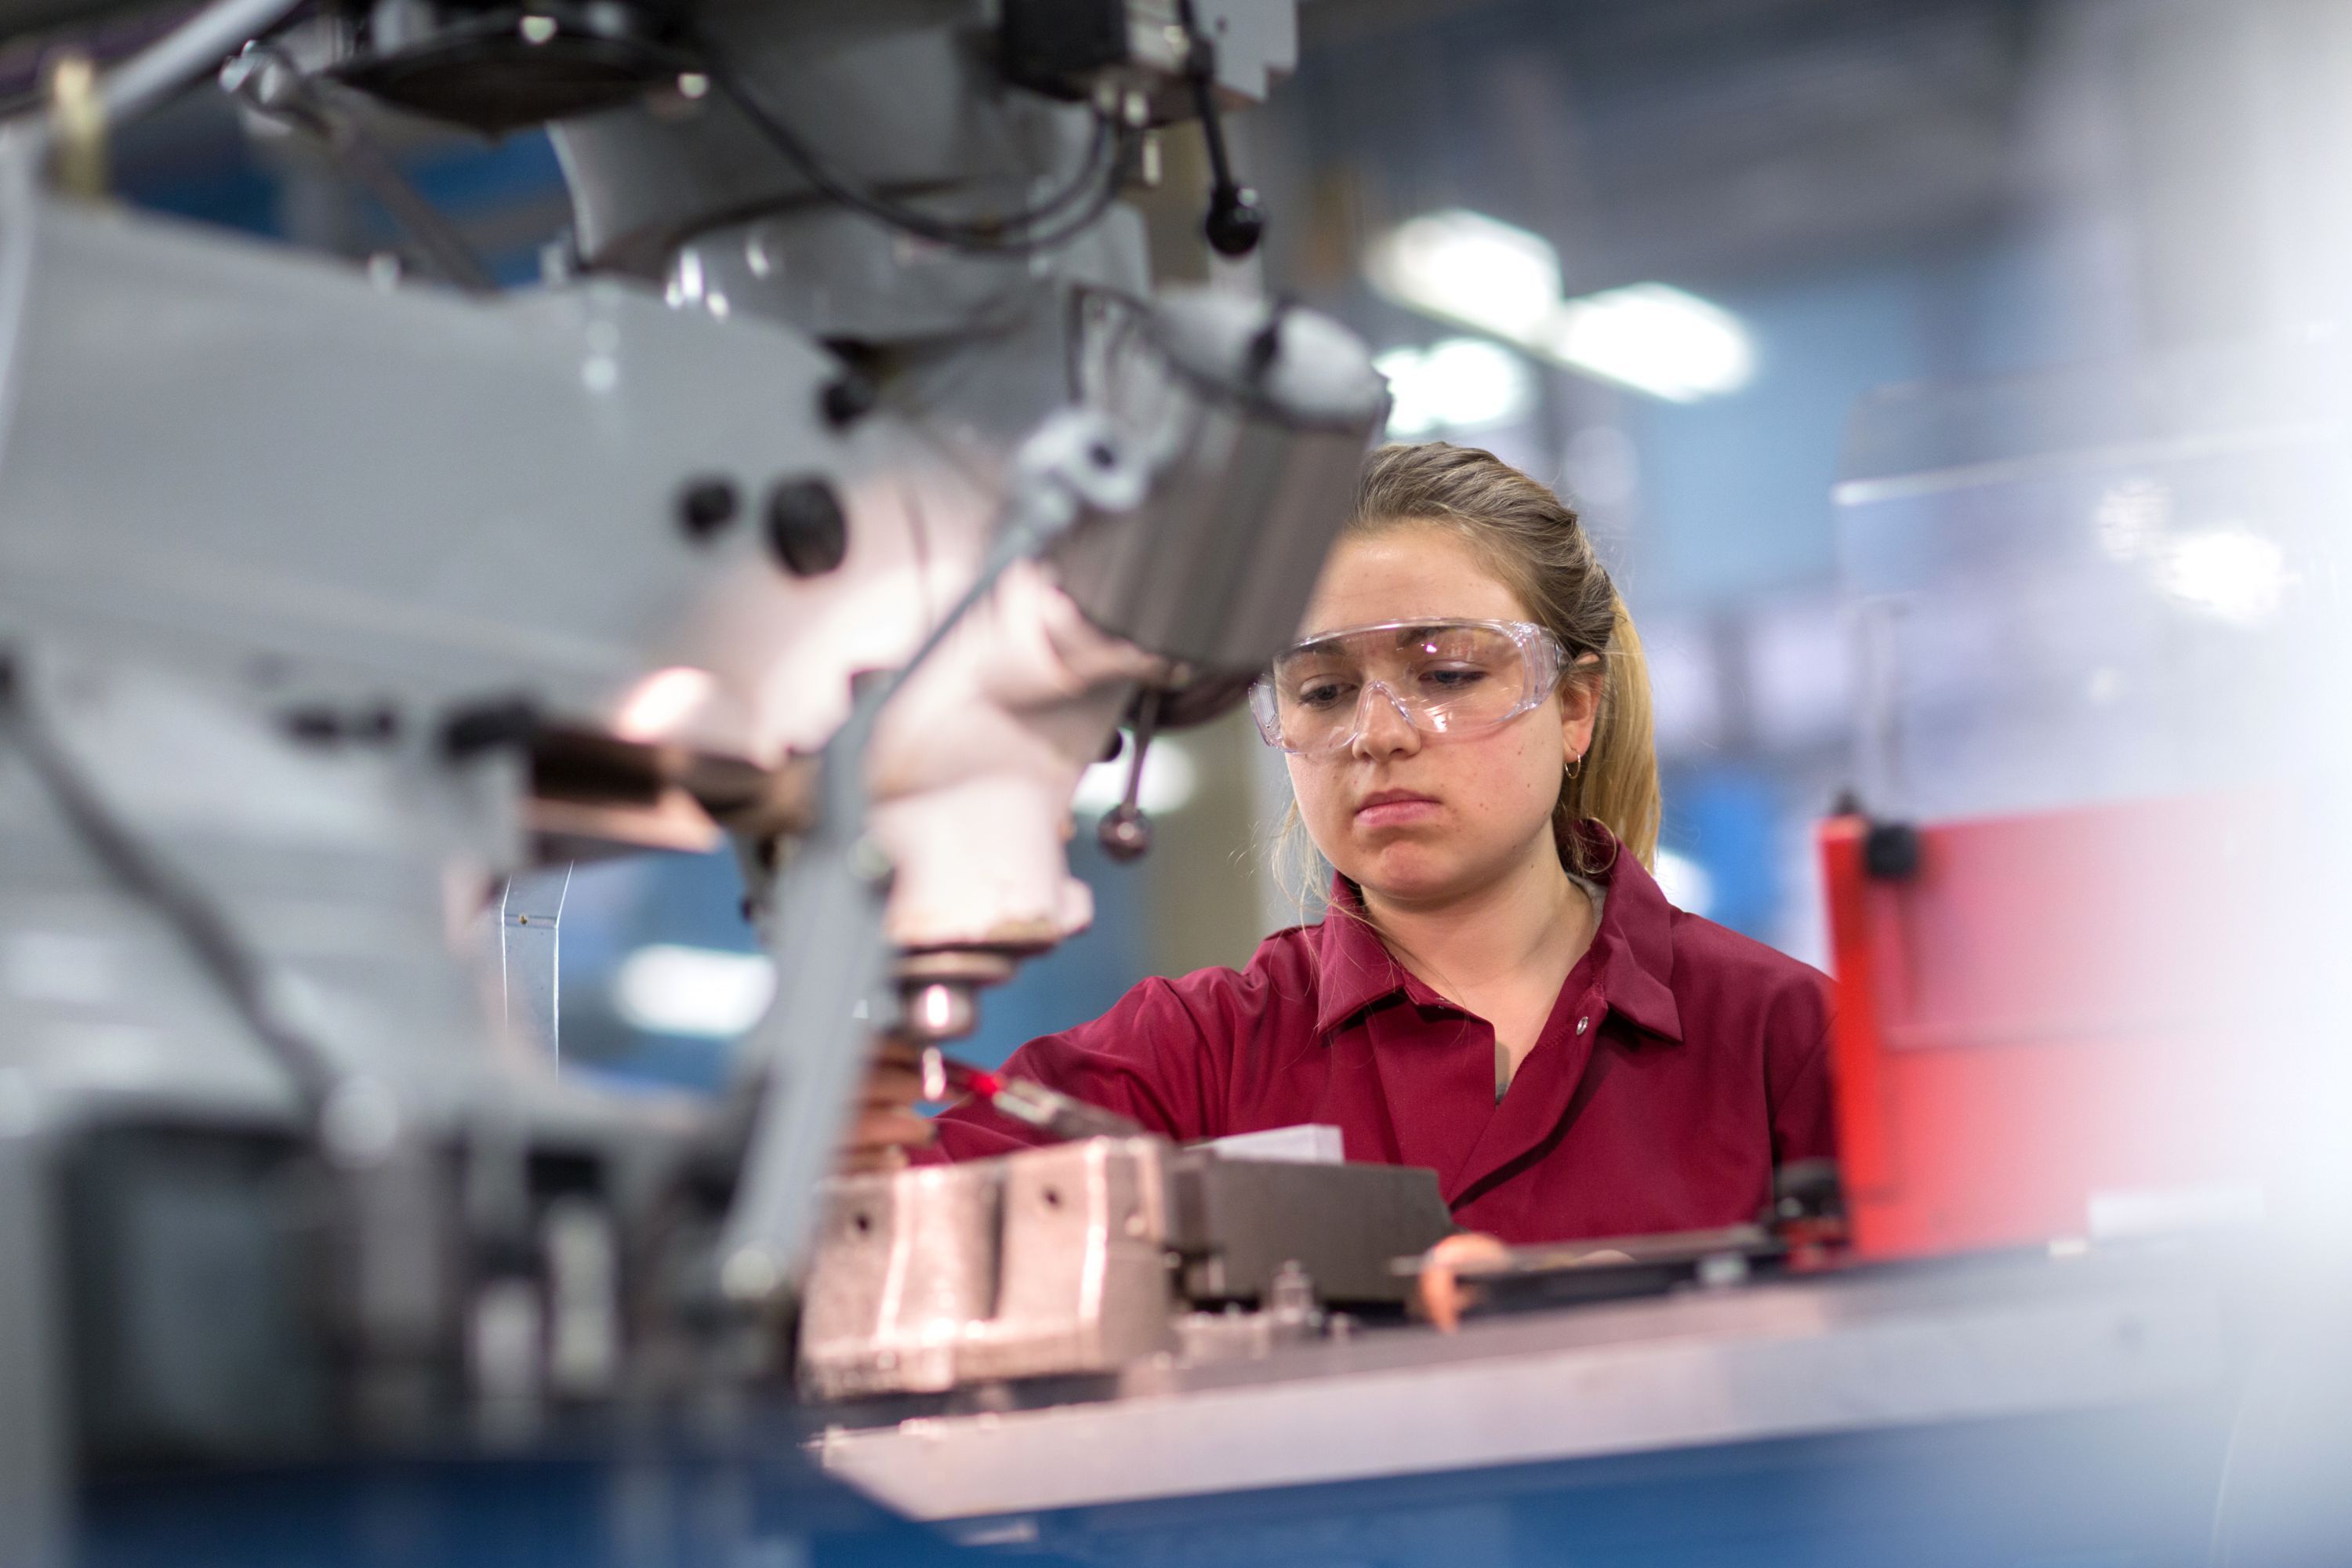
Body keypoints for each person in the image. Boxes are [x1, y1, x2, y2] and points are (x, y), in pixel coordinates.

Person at [851, 441, 1833, 1316]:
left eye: (1447, 673)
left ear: (1573, 708)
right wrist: (833, 1148)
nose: (1379, 733)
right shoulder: (1184, 1062)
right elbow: (884, 1253)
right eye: (1322, 690)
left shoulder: (1783, 1040)